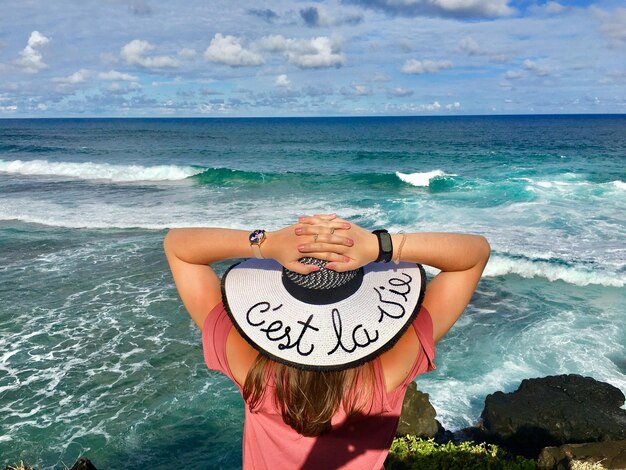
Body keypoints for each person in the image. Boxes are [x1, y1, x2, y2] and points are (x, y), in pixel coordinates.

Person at [164, 214, 490, 469]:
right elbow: (474, 254)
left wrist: (265, 243)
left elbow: (179, 247)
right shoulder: (393, 363)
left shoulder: (242, 356)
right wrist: (381, 246)